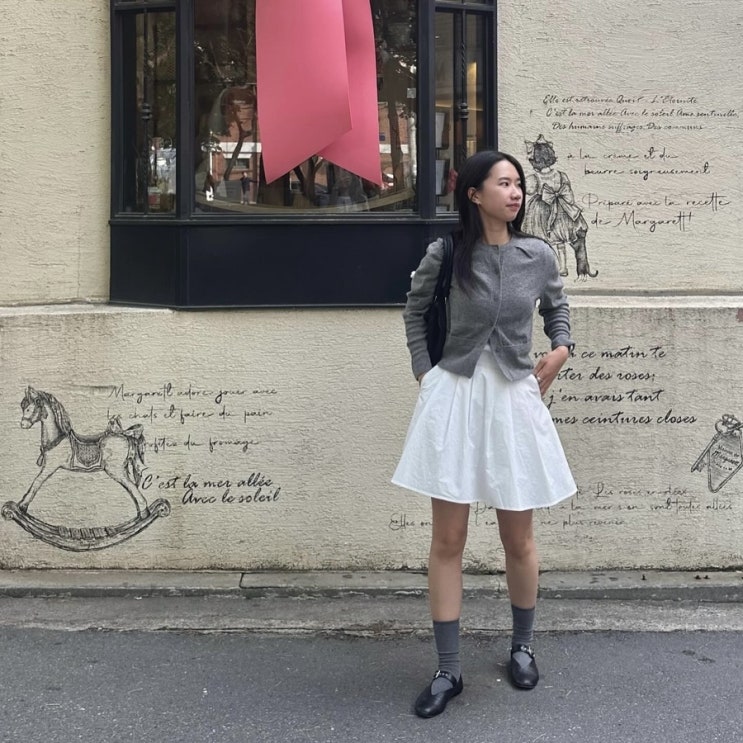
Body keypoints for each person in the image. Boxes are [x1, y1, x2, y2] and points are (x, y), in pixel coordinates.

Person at [392, 150, 576, 718]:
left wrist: (561, 348)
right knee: (448, 540)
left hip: (513, 398)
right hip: (455, 396)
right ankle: (448, 670)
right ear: (474, 194)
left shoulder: (537, 254)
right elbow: (414, 311)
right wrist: (426, 374)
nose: (515, 192)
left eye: (518, 183)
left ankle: (522, 646)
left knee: (518, 538)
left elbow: (557, 308)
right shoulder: (447, 253)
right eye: (504, 183)